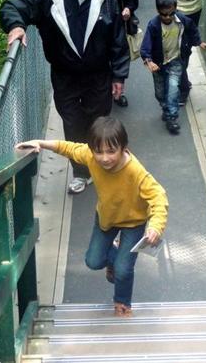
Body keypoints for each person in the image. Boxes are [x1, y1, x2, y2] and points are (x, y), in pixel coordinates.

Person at [0, 0, 130, 195]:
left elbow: (117, 37)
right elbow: (13, 6)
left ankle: (103, 164)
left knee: (98, 122)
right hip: (64, 75)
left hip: (97, 74)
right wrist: (16, 26)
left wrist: (119, 75)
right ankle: (82, 171)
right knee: (72, 123)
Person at [15, 116, 168, 317]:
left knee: (123, 270)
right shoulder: (90, 156)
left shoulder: (135, 171)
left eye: (111, 151)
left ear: (123, 148)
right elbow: (67, 147)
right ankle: (114, 256)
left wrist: (155, 226)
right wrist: (40, 143)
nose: (104, 158)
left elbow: (158, 196)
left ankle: (122, 303)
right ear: (92, 149)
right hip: (106, 217)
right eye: (99, 151)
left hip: (134, 222)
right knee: (93, 261)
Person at [140, 0, 206, 135]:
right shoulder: (153, 25)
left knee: (172, 89)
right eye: (163, 14)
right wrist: (148, 60)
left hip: (175, 61)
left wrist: (198, 42)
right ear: (158, 12)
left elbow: (192, 29)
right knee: (159, 93)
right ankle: (165, 108)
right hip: (158, 64)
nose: (167, 17)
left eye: (171, 14)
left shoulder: (182, 20)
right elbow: (146, 45)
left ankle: (172, 118)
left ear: (175, 9)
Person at [92, 0, 139, 107]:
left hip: (120, 25)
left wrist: (129, 8)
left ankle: (119, 92)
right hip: (98, 28)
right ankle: (104, 90)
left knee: (119, 55)